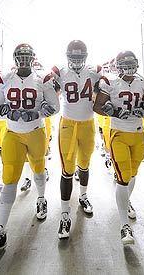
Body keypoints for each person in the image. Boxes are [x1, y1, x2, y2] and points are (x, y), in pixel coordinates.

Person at [0, 43, 59, 254]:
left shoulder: (42, 79)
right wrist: (9, 113)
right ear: (15, 58)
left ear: (33, 58)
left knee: (38, 169)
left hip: (35, 131)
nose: (24, 60)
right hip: (13, 134)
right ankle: (1, 229)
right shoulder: (5, 78)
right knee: (9, 179)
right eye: (20, 56)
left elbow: (55, 106)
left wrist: (38, 113)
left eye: (27, 56)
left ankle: (41, 199)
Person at [93, 51, 144, 245]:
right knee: (123, 177)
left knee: (133, 174)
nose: (128, 67)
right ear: (118, 66)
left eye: (131, 63)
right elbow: (97, 107)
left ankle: (125, 203)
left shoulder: (143, 82)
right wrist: (115, 111)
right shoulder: (110, 83)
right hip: (118, 133)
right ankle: (124, 225)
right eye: (125, 64)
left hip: (138, 133)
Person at [51, 40, 102, 239]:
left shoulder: (95, 71)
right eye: (74, 57)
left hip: (88, 123)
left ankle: (83, 196)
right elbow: (49, 90)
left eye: (80, 57)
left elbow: (105, 89)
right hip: (68, 124)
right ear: (67, 57)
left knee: (85, 164)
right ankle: (65, 214)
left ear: (86, 57)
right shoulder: (59, 71)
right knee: (67, 168)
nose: (77, 61)